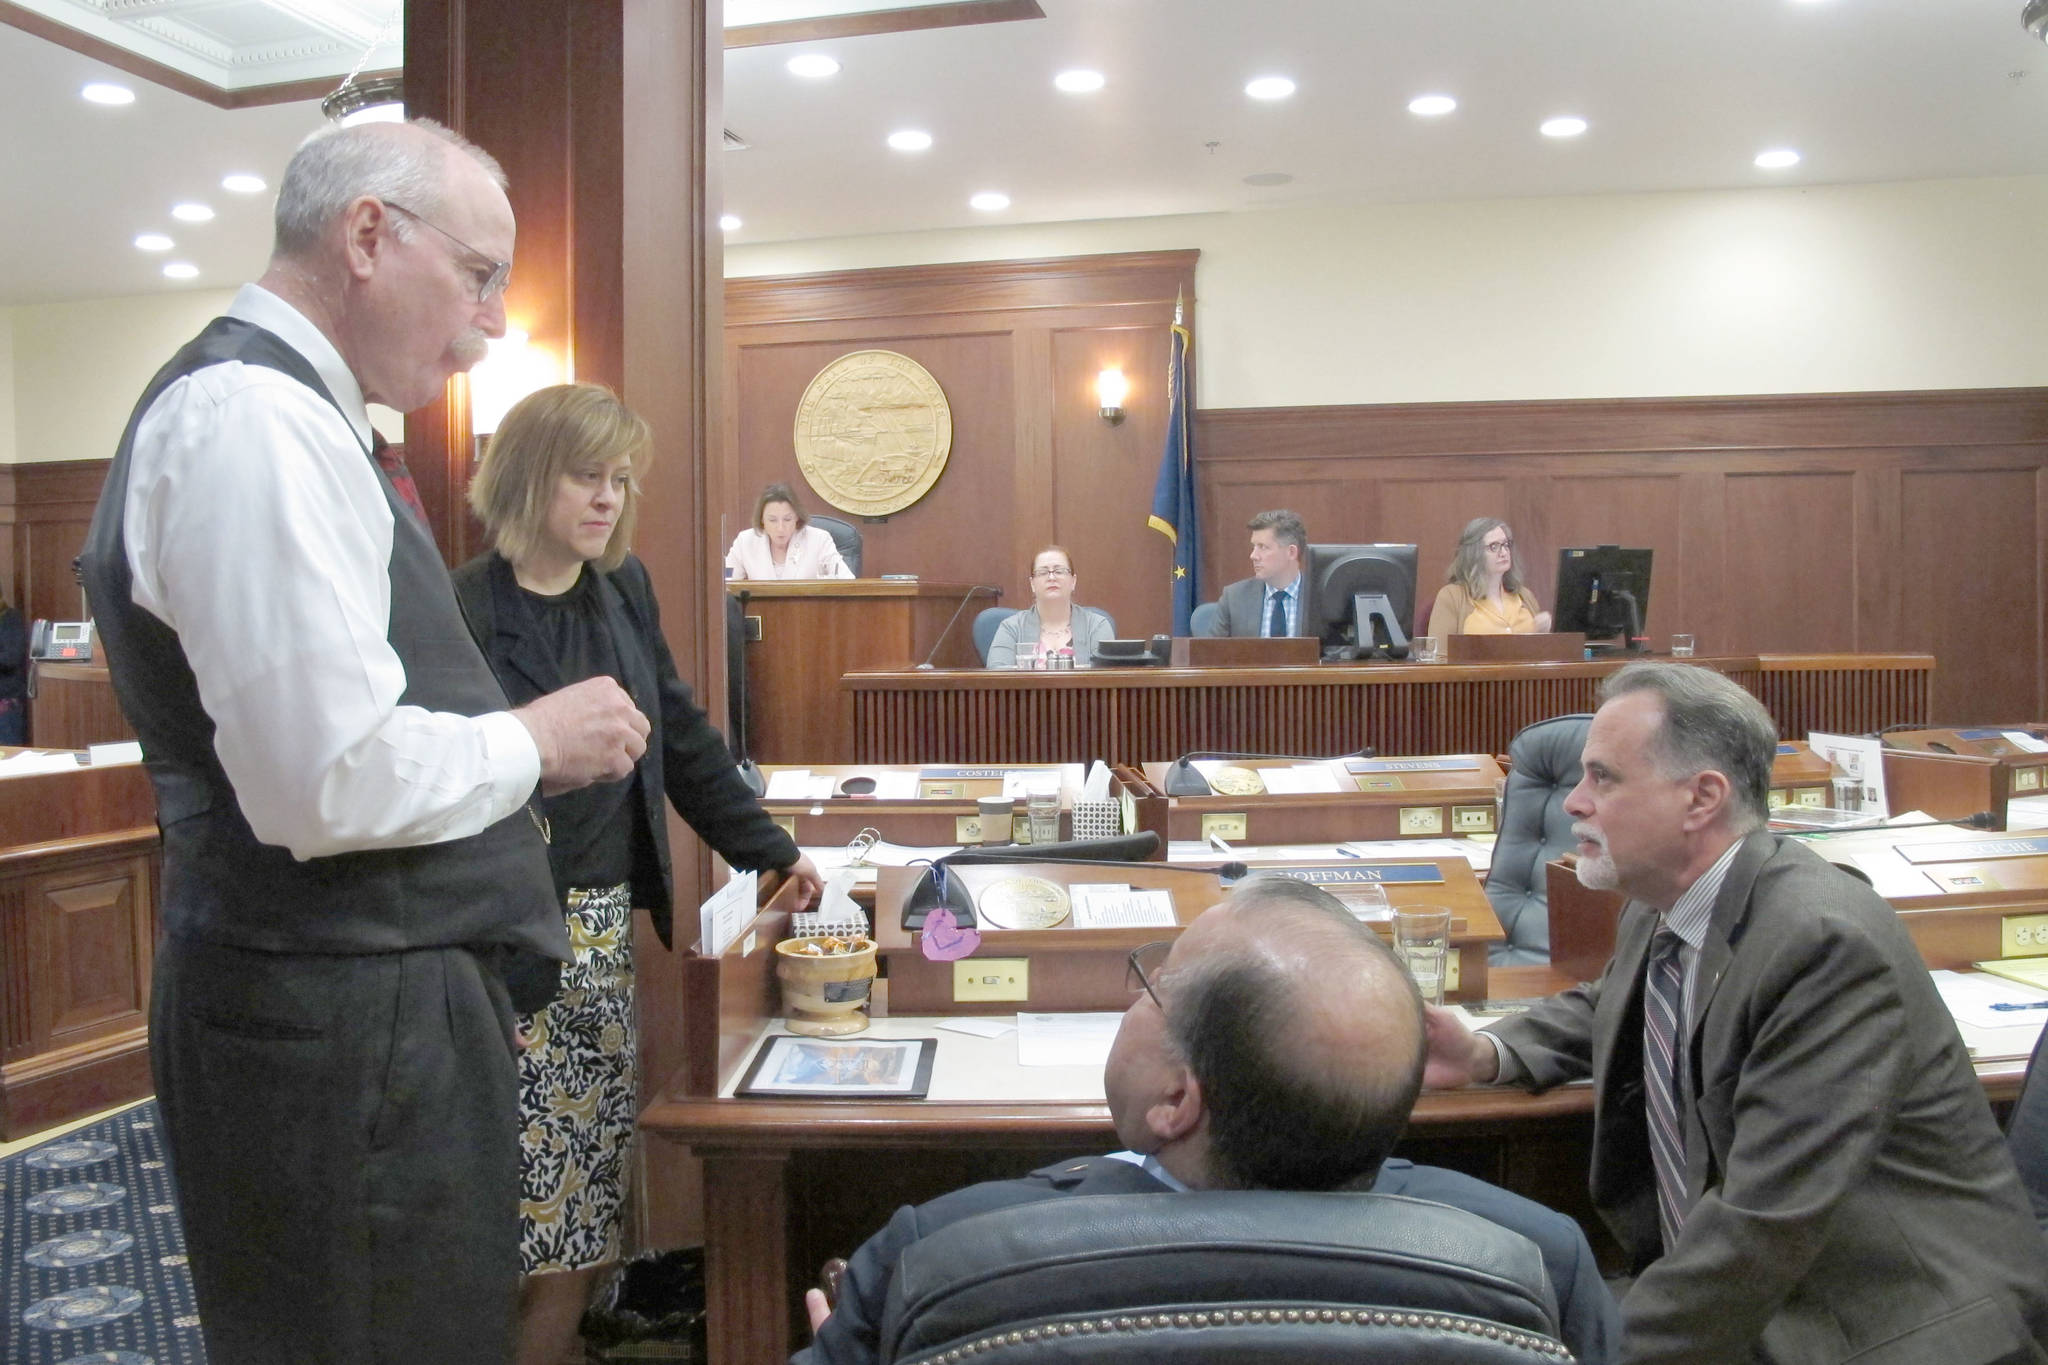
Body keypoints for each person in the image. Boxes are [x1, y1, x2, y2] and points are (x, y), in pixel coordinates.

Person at [77, 120, 651, 1365]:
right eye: (480, 274)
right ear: (368, 235)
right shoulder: (251, 424)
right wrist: (533, 740)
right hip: (326, 1013)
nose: (492, 320)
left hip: (370, 997)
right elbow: (322, 780)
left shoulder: (309, 422)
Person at [1423, 662, 2048, 1365]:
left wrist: (1590, 1354)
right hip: (1750, 1292)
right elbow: (1617, 1001)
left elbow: (1764, 1223)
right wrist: (1484, 1052)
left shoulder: (1822, 943)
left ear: (1703, 798)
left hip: (1878, 1322)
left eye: (1603, 778)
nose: (1572, 802)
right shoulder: (1663, 905)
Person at [797, 877, 1618, 1365]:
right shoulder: (1546, 1260)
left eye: (1154, 987)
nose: (1133, 995)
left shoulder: (934, 1255)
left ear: (1176, 1102)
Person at [454, 382, 826, 1365]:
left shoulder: (623, 591)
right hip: (495, 948)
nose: (608, 498)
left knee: (578, 1204)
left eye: (620, 480)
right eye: (587, 476)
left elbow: (685, 741)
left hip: (598, 932)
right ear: (529, 477)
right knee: (512, 1208)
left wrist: (770, 849)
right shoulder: (456, 610)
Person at [984, 544, 1116, 668]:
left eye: (1059, 571)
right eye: (1042, 572)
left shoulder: (1097, 626)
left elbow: (1108, 678)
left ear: (1073, 581)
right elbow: (997, 675)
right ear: (1032, 584)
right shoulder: (1011, 628)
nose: (1051, 577)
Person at [1429, 516, 1552, 635]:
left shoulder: (1525, 595)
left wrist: (1542, 632)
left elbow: (1542, 651)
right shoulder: (1451, 596)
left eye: (1505, 545)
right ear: (1474, 554)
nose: (1504, 552)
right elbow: (1439, 655)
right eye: (1494, 546)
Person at [1205, 508, 1309, 637]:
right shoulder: (1234, 598)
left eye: (1263, 547)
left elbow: (1336, 653)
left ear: (1291, 552)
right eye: (1254, 547)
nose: (1253, 556)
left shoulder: (1320, 600)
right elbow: (1211, 653)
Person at [725, 481, 853, 580]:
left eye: (787, 519)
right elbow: (725, 579)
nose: (780, 528)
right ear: (762, 520)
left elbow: (846, 580)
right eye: (772, 520)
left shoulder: (819, 540)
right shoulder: (745, 541)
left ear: (797, 517)